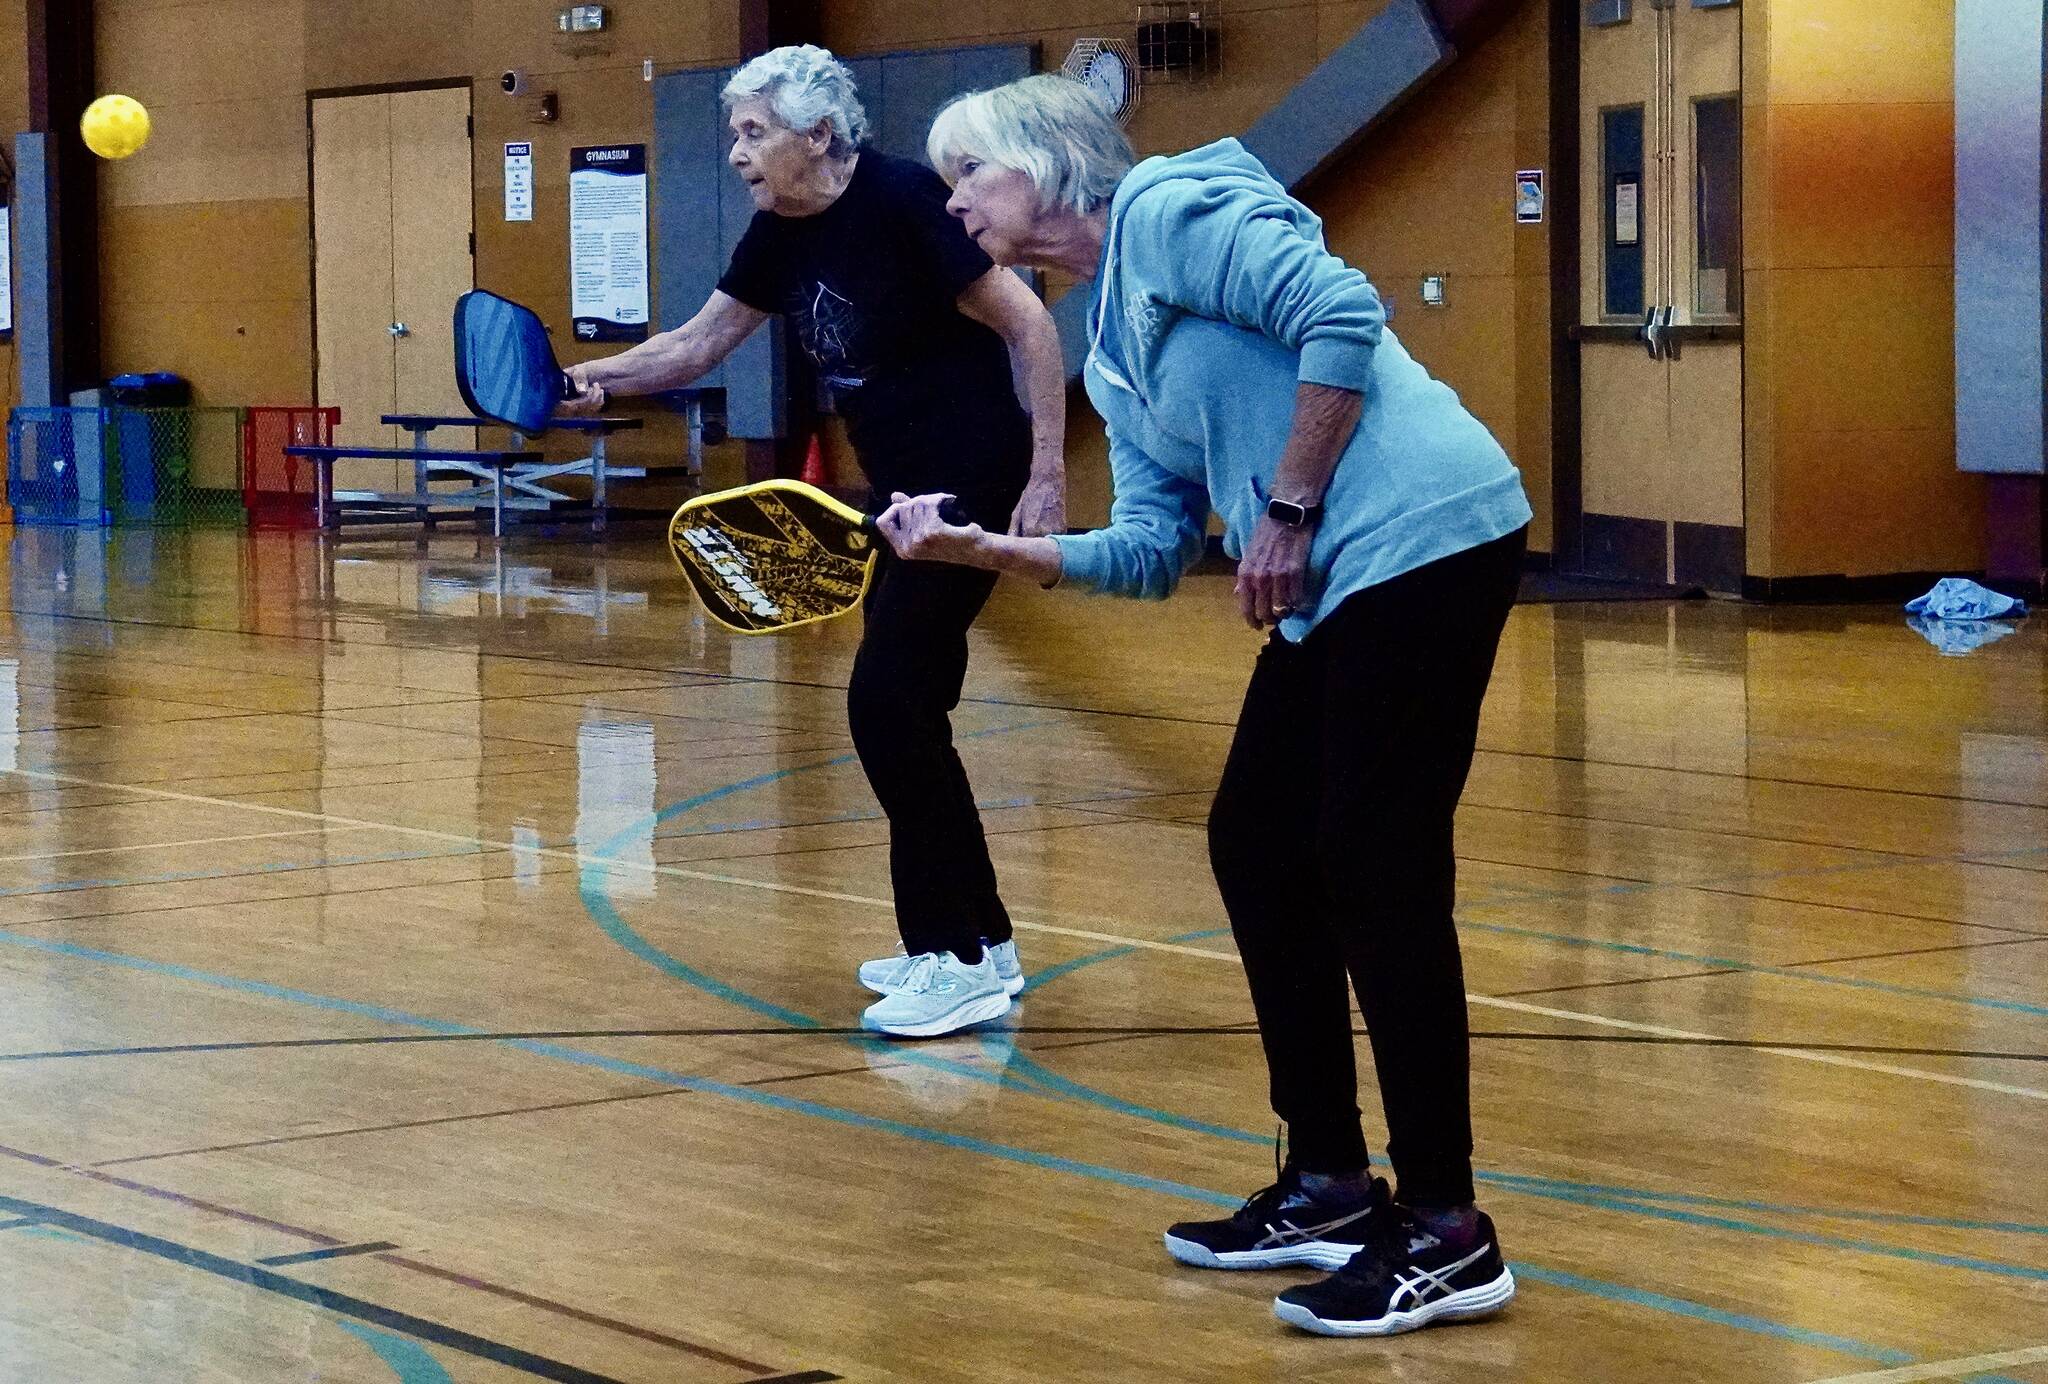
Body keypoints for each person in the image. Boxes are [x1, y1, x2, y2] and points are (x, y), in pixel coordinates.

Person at [877, 74, 1532, 1337]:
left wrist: (1283, 509)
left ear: (1048, 162)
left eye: (968, 170)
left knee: (1371, 860)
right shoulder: (1111, 344)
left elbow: (1340, 314)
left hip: (1426, 533)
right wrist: (984, 554)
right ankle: (1331, 1180)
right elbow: (1148, 546)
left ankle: (1447, 1226)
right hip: (1332, 576)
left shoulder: (1170, 209)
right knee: (1255, 843)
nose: (951, 197)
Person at [568, 46, 1068, 1038]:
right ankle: (981, 942)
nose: (738, 153)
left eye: (753, 132)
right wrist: (602, 376)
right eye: (735, 134)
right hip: (897, 492)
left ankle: (951, 955)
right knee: (906, 710)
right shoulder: (778, 233)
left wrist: (1046, 473)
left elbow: (1030, 327)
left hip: (967, 473)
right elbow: (698, 342)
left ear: (821, 134)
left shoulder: (903, 202)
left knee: (888, 704)